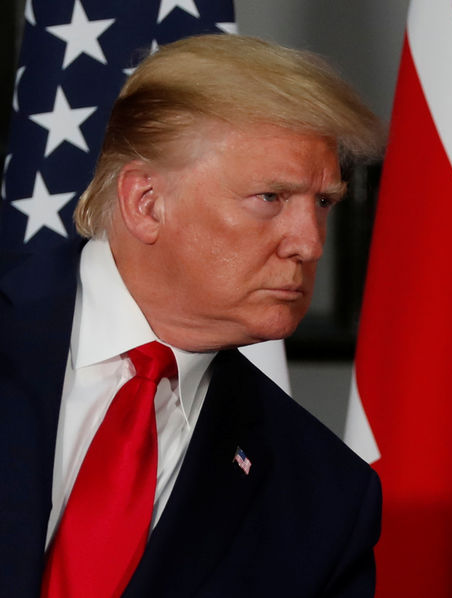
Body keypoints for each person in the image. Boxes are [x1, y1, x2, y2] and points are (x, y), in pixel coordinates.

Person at [0, 34, 384, 597]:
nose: (309, 244)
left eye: (323, 203)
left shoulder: (324, 497)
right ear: (146, 202)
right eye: (271, 197)